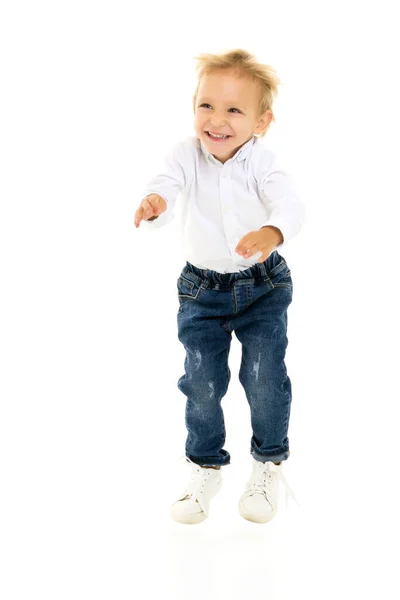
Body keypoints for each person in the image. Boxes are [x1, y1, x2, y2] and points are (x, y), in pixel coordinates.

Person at [134, 48, 305, 525]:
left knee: (263, 377)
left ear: (262, 121)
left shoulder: (262, 162)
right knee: (202, 384)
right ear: (193, 105)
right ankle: (205, 465)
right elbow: (165, 184)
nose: (217, 120)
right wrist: (154, 203)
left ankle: (269, 463)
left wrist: (272, 233)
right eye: (207, 105)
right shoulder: (184, 154)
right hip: (200, 292)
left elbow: (290, 204)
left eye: (234, 110)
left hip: (262, 287)